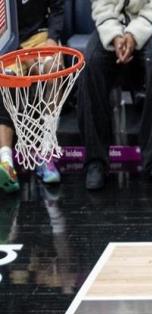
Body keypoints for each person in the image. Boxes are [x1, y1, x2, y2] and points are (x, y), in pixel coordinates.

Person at [77, 0, 152, 190]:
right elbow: (101, 5)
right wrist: (115, 36)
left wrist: (133, 35)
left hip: (149, 26)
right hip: (112, 26)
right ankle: (95, 161)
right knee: (90, 63)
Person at [0, 0, 65, 193]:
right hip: (7, 41)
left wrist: (52, 38)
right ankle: (6, 162)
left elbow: (57, 8)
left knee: (53, 69)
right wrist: (21, 53)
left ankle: (46, 152)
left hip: (39, 37)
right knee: (6, 78)